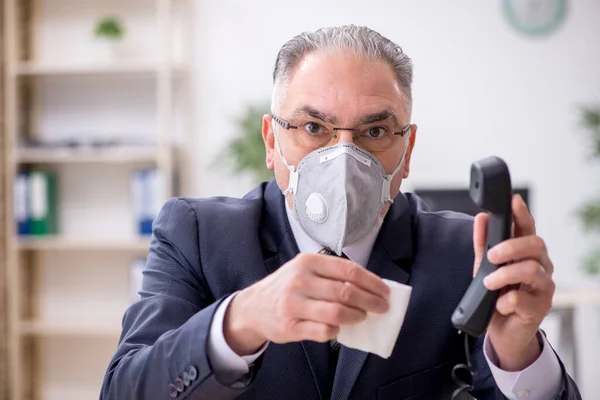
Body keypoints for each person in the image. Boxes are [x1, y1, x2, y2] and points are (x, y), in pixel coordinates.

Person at [100, 25, 581, 400]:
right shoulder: (197, 235)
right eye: (314, 126)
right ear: (272, 141)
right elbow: (124, 390)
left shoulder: (463, 253)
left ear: (407, 150)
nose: (345, 158)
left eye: (374, 132)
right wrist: (239, 321)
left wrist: (517, 350)